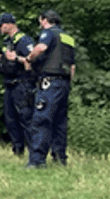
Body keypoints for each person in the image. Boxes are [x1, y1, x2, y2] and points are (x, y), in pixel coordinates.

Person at [24, 9, 77, 168]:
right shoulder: (68, 38)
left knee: (42, 119)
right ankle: (60, 158)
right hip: (64, 83)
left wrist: (28, 58)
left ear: (44, 20)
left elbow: (40, 48)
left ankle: (37, 161)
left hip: (50, 82)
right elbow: (72, 66)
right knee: (60, 121)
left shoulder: (49, 33)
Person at [0, 12, 36, 158]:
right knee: (10, 119)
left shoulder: (24, 41)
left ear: (9, 25)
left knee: (25, 118)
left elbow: (33, 60)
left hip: (21, 84)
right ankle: (17, 150)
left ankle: (34, 152)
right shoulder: (7, 42)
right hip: (9, 84)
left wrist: (16, 58)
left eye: (1, 24)